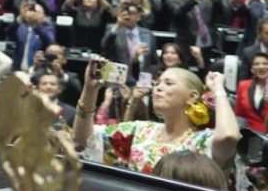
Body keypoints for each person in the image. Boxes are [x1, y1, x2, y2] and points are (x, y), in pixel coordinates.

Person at [74, 59, 240, 175]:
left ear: (192, 97)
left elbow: (229, 136)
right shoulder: (140, 131)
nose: (158, 88)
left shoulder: (202, 141)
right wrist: (90, 90)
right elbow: (83, 140)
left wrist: (218, 88)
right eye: (157, 83)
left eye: (168, 83)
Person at [233, 52, 268, 134]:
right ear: (252, 69)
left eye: (265, 64)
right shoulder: (243, 85)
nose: (261, 67)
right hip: (251, 135)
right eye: (256, 64)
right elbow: (239, 114)